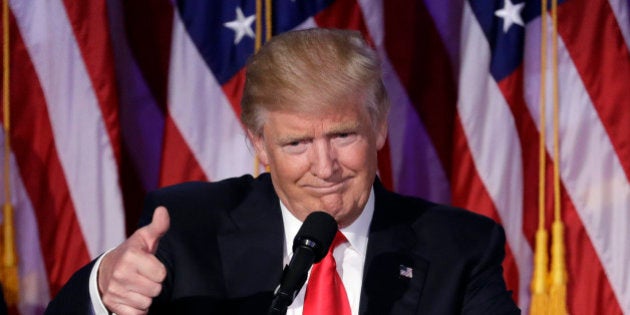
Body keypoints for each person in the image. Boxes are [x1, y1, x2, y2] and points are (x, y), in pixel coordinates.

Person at [45, 28, 520, 315]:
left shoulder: (461, 247)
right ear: (259, 144)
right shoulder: (191, 228)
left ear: (378, 127)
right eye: (297, 143)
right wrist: (104, 287)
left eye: (343, 135)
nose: (325, 166)